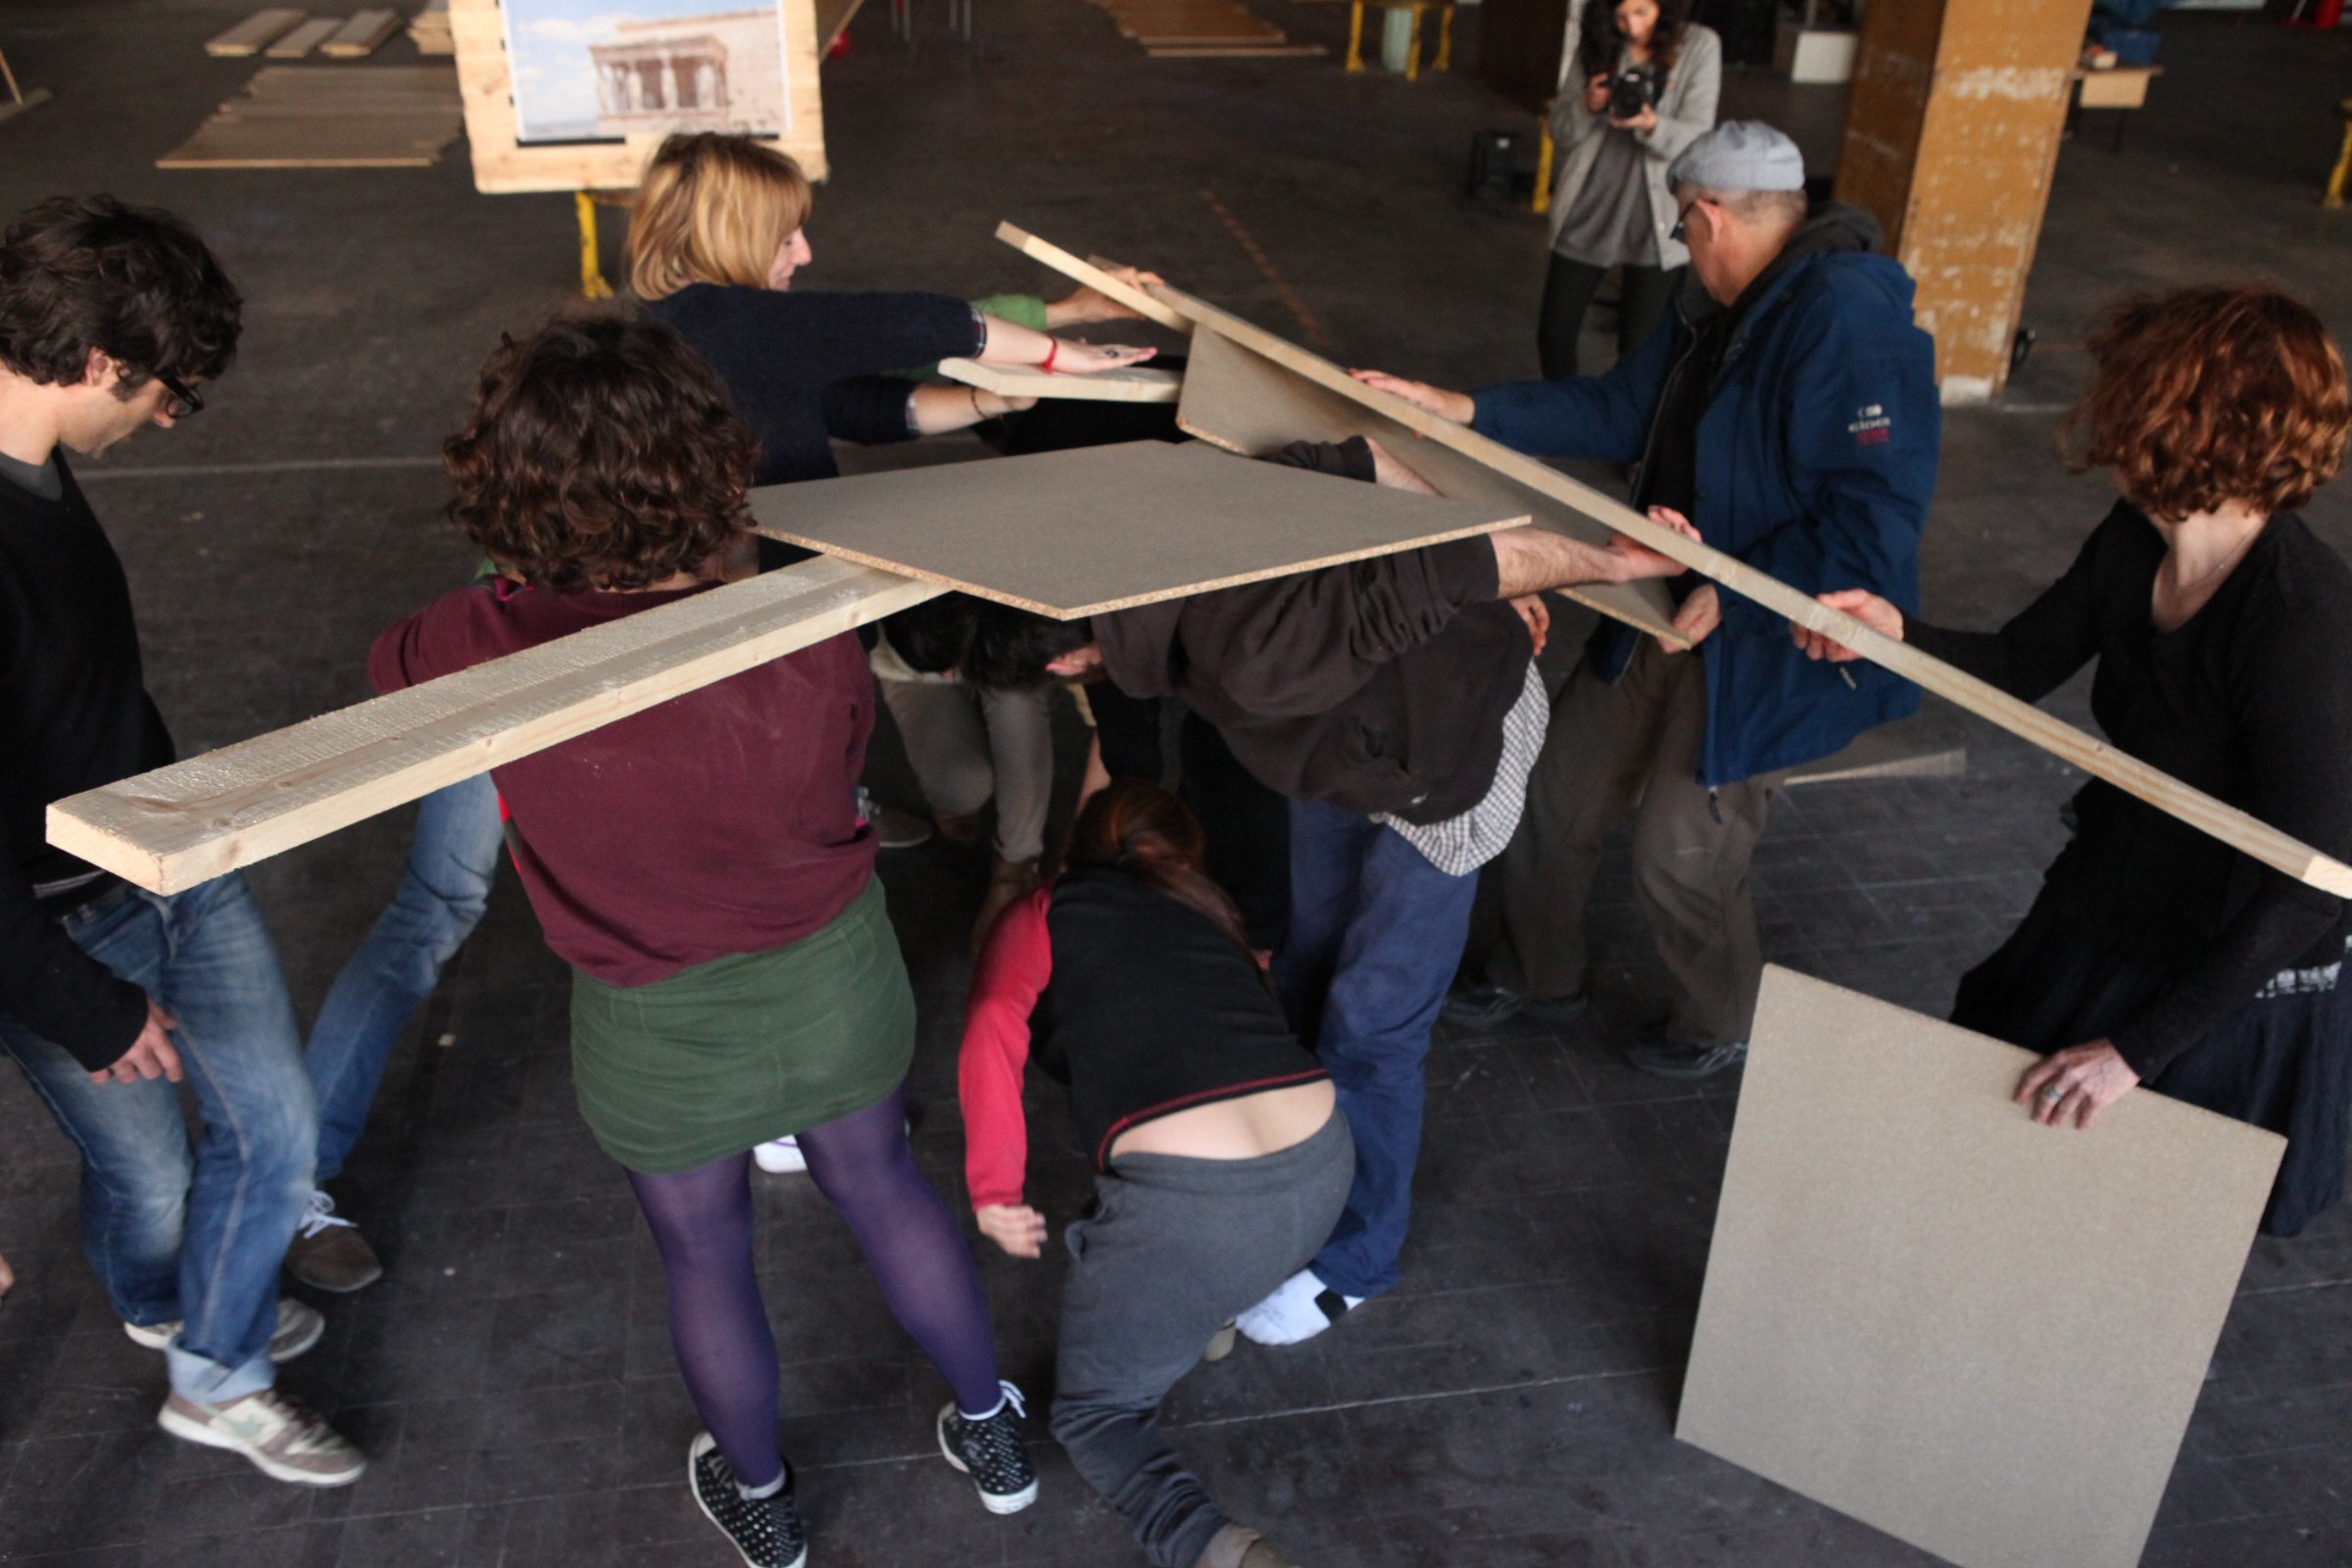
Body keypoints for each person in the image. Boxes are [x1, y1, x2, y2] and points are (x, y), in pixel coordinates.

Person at [292, 132, 1160, 1223]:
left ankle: (766, 1109)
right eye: (788, 232)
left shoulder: (707, 338)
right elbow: (910, 324)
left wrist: (994, 399)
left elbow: (858, 404)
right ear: (738, 236)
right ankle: (305, 1172)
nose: (804, 251)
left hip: (560, 641)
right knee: (553, 891)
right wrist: (1056, 355)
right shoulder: (722, 319)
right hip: (585, 654)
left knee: (522, 888)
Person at [370, 314, 1038, 1568]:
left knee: (705, 1255)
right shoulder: (805, 623)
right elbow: (849, 763)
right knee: (886, 1190)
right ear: (709, 460)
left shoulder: (480, 642)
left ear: (508, 487)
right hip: (835, 977)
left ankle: (766, 1504)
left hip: (653, 1019)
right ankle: (993, 1433)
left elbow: (390, 670)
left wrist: (512, 592)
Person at [941, 435, 1687, 1345]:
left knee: (1372, 1029)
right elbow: (1363, 459)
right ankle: (1304, 1189)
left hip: (1453, 763)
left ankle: (1356, 1260)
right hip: (1346, 754)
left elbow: (1458, 563)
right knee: (1305, 967)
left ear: (1062, 665)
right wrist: (1479, 561)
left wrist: (1587, 566)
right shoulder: (1156, 535)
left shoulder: (1244, 653)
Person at [1359, 120, 1938, 1078]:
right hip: (1660, 602)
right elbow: (1623, 406)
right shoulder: (1712, 306)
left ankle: (1717, 1020)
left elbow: (1877, 521)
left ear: (1708, 215)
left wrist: (1741, 591)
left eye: (1682, 228)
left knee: (1681, 851)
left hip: (1764, 638)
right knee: (1557, 792)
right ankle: (1537, 973)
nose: (1684, 246)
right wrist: (1461, 410)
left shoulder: (1845, 318)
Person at [1795, 283, 2352, 1238]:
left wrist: (2135, 1052)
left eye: (2133, 390)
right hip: (2121, 885)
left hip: (2226, 958)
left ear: (2194, 423)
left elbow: (2313, 889)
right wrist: (1894, 635)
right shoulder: (2137, 537)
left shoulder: (2301, 624)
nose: (2105, 409)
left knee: (2129, 1223)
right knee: (1999, 1135)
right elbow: (2018, 664)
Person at [0, 196, 362, 1484]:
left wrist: (188, 810)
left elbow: (83, 685)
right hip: (64, 933)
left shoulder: (38, 471)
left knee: (275, 1131)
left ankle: (217, 1374)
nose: (163, 419)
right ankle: (171, 1303)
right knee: (151, 1183)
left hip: (171, 866)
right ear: (99, 360)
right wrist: (79, 1005)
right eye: (168, 393)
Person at [961, 780, 1351, 1568]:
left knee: (1096, 1417)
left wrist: (994, 1189)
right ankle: (1212, 1321)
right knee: (1200, 1225)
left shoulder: (1043, 910)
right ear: (1183, 855)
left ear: (1076, 850)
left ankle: (1214, 1551)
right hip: (1323, 1164)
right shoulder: (1206, 908)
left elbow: (993, 1023)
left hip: (1196, 1211)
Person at [1539, 0, 1720, 378]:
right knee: (1554, 333)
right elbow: (1559, 130)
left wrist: (1652, 125)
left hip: (1660, 213)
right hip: (1591, 200)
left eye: (1641, 12)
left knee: (1639, 347)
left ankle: (1622, 415)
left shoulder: (1699, 46)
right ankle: (1563, 408)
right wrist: (1586, 106)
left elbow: (1699, 139)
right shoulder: (1597, 45)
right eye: (1620, 17)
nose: (1632, 27)